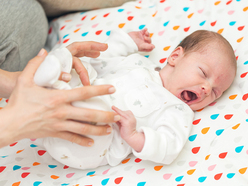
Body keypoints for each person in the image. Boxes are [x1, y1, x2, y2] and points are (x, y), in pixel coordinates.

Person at [29, 28, 237, 169]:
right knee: (83, 68)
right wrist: (127, 42)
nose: (206, 88)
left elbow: (169, 146)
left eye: (216, 92)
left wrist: (134, 136)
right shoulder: (138, 63)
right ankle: (51, 75)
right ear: (175, 57)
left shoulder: (178, 110)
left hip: (94, 143)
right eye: (203, 73)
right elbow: (105, 58)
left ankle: (52, 79)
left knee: (99, 107)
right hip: (52, 120)